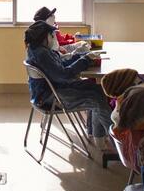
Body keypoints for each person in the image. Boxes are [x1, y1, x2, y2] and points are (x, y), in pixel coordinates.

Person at [24, 20, 112, 149]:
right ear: (44, 37)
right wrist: (85, 60)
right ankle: (117, 139)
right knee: (96, 98)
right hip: (50, 97)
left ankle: (98, 136)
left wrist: (84, 56)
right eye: (52, 35)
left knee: (99, 89)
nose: (54, 38)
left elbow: (61, 65)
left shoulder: (39, 50)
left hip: (53, 89)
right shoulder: (42, 54)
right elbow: (63, 75)